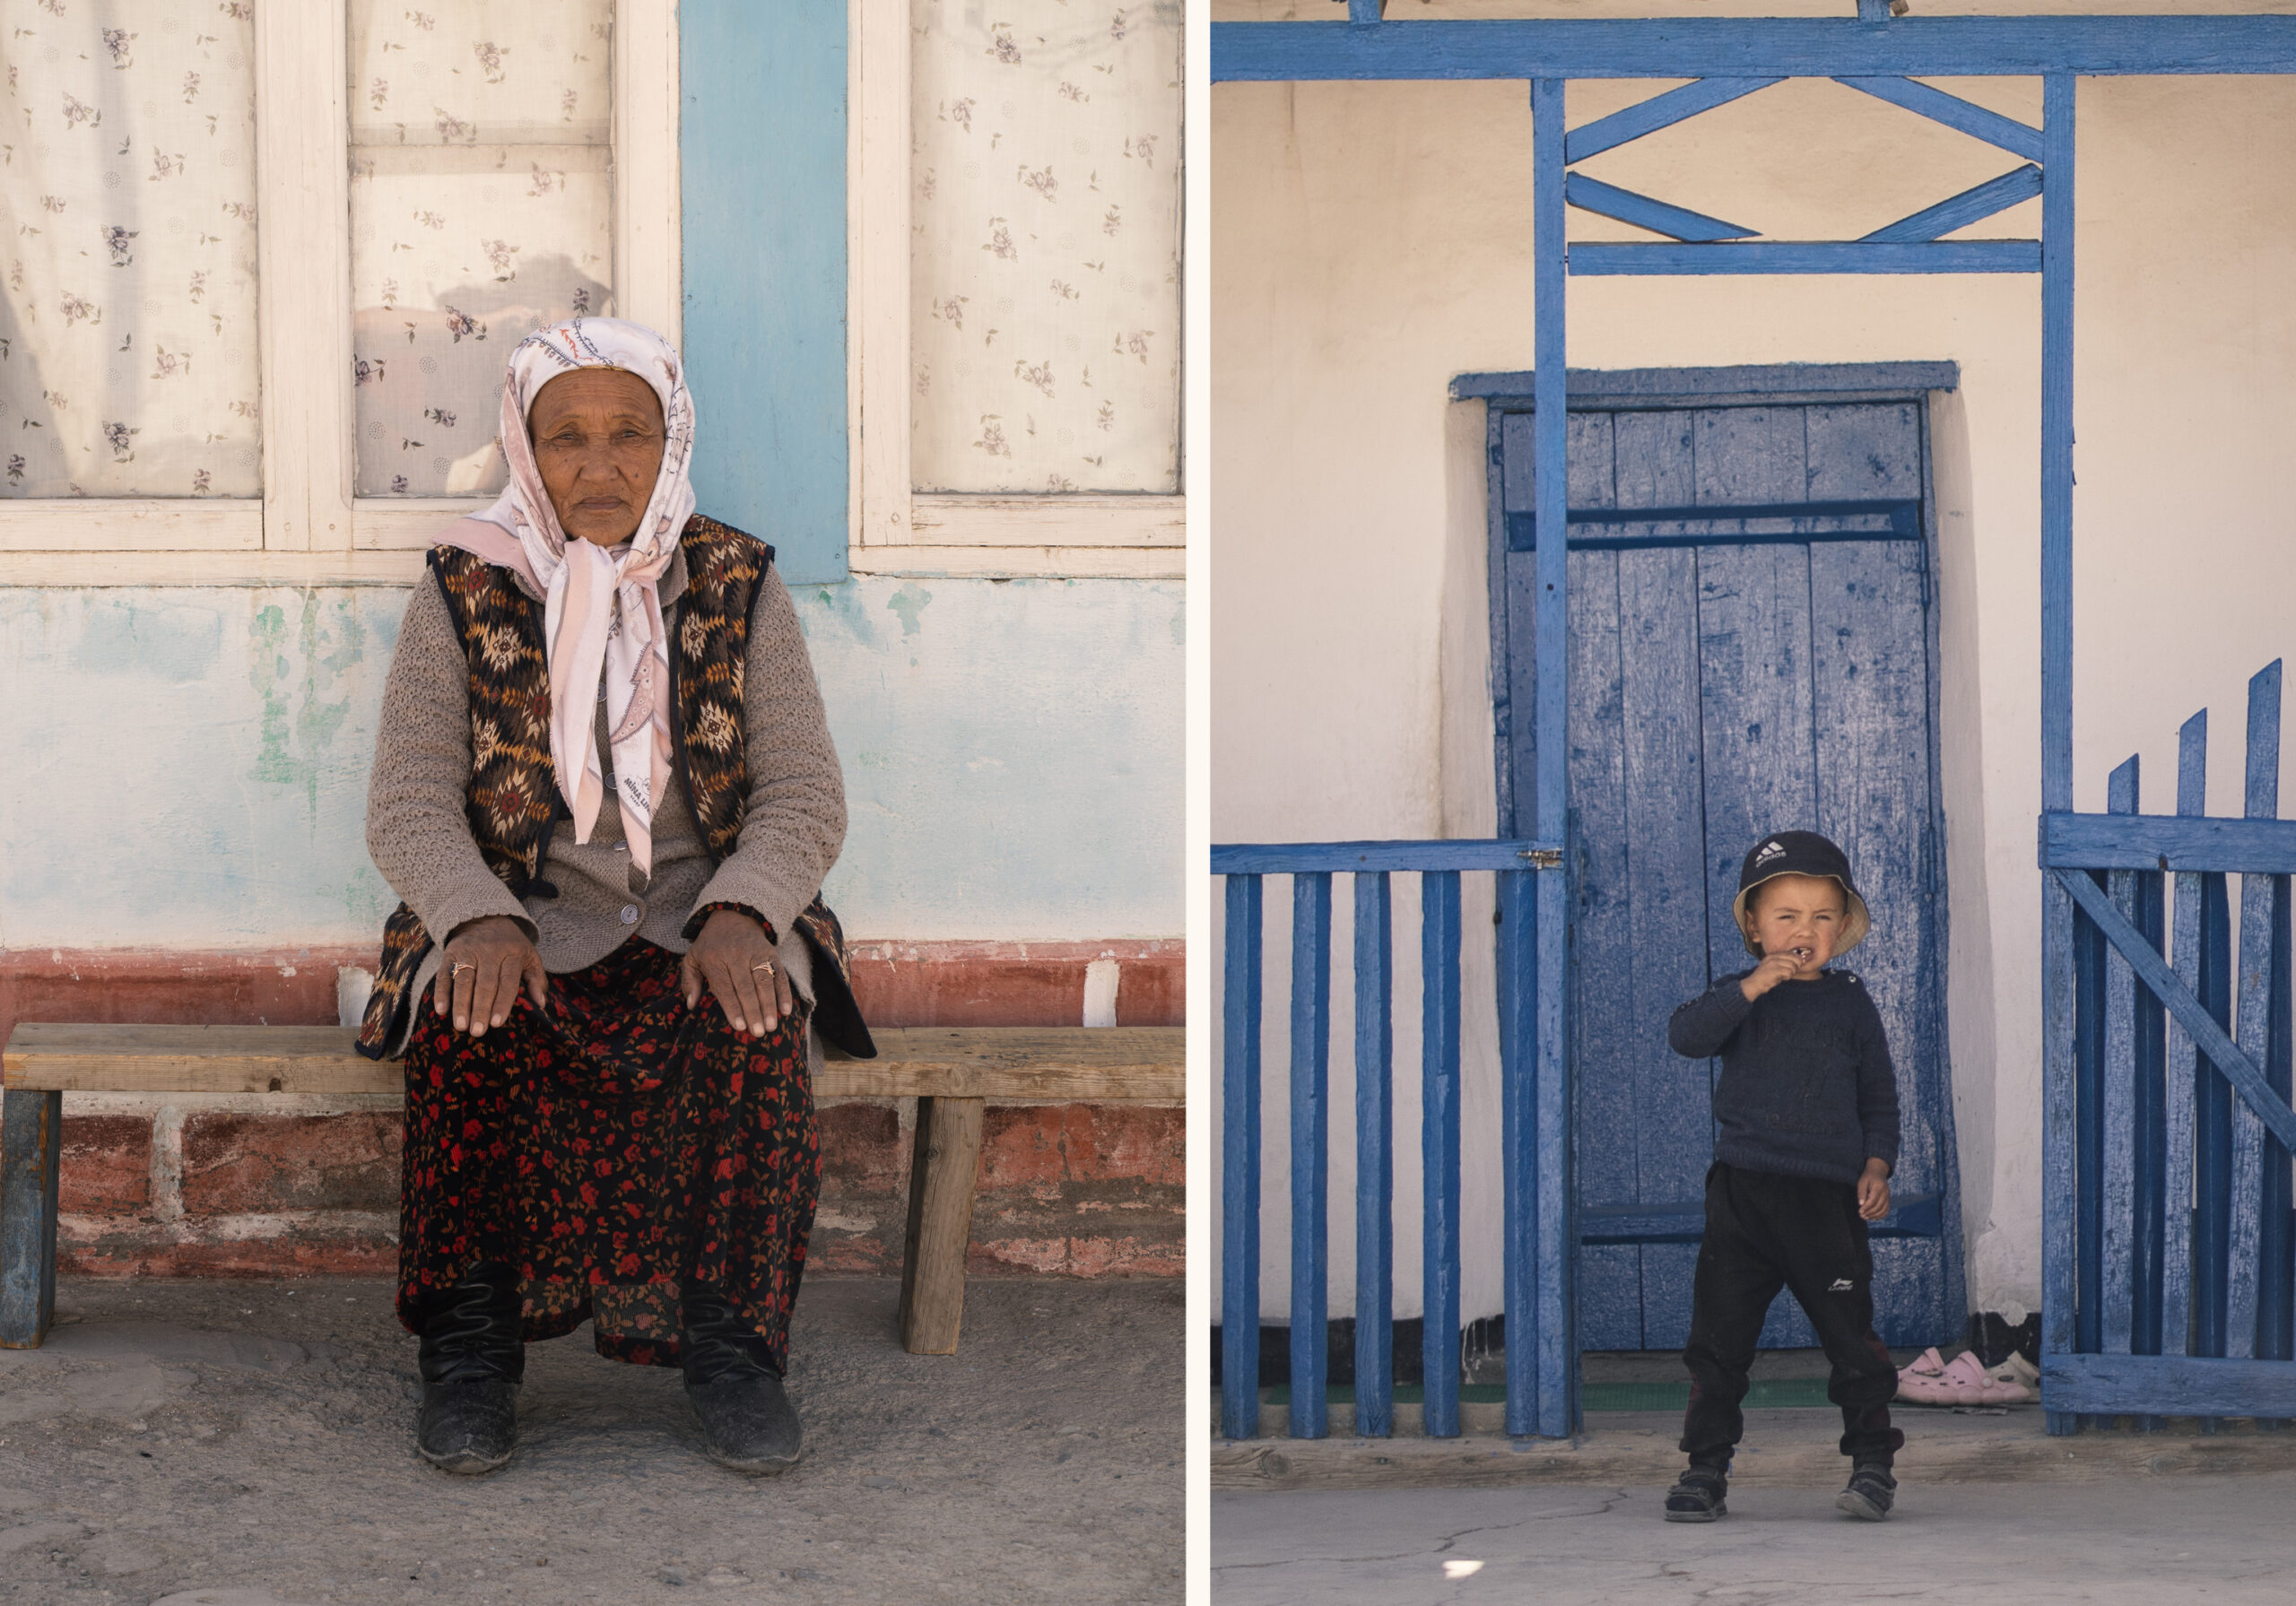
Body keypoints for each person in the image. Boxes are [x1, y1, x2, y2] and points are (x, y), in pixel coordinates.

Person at [359, 317, 874, 1478]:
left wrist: (746, 909)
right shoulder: (468, 587)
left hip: (707, 911)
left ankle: (735, 1352)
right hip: (525, 912)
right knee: (465, 1016)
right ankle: (471, 1355)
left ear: (670, 440)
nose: (600, 465)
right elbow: (406, 800)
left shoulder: (735, 582)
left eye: (628, 433)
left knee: (750, 1020)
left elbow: (804, 794)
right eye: (567, 438)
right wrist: (476, 914)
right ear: (524, 450)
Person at [1659, 830, 1904, 1524]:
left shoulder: (1850, 1003)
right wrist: (1750, 987)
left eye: (1822, 916)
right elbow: (1686, 1037)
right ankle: (1704, 1468)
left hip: (1826, 1201)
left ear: (1842, 927)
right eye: (1787, 916)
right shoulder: (1736, 995)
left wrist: (1877, 1165)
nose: (1805, 930)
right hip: (1743, 1195)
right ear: (1754, 926)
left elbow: (1879, 1099)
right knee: (1719, 1340)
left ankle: (1873, 1465)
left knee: (1850, 1337)